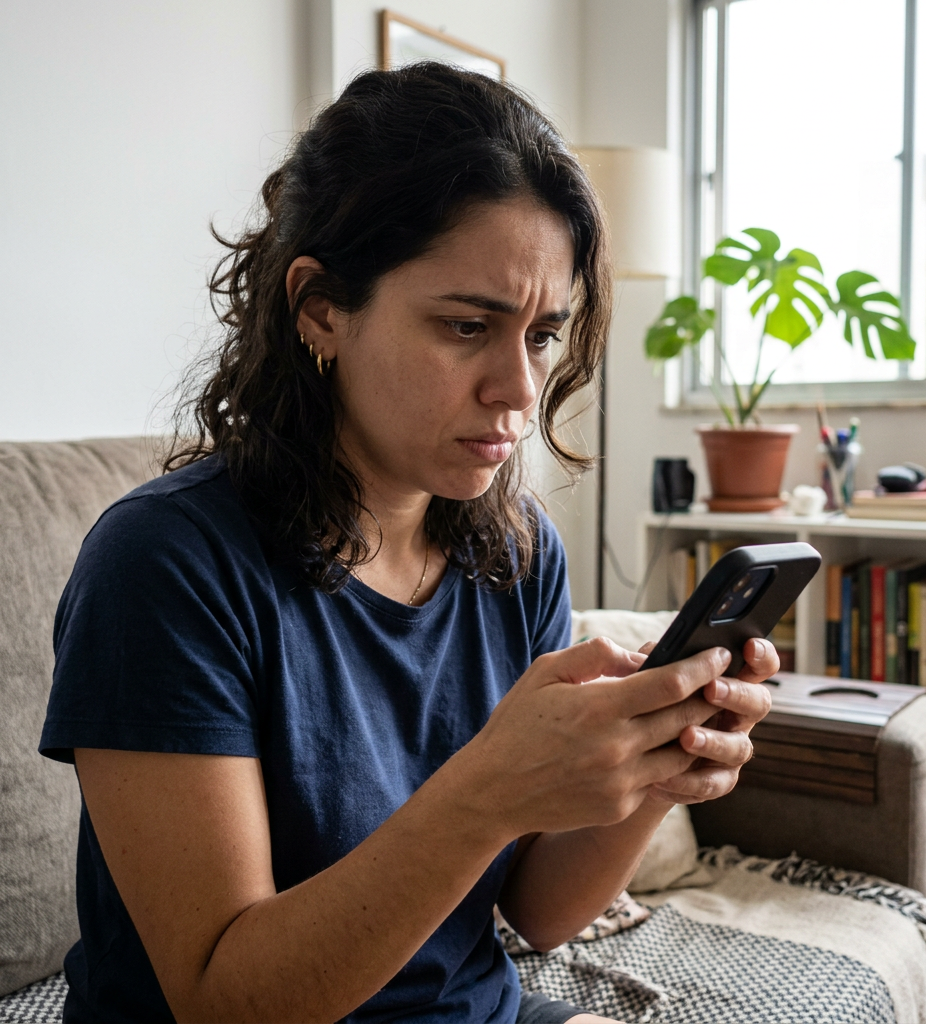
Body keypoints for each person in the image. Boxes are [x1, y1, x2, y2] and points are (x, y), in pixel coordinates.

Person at [39, 63, 774, 1024]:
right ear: (320, 310)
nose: (519, 387)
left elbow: (541, 914)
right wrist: (485, 792)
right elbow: (225, 1000)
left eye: (544, 336)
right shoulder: (164, 567)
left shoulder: (516, 550)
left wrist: (651, 770)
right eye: (468, 325)